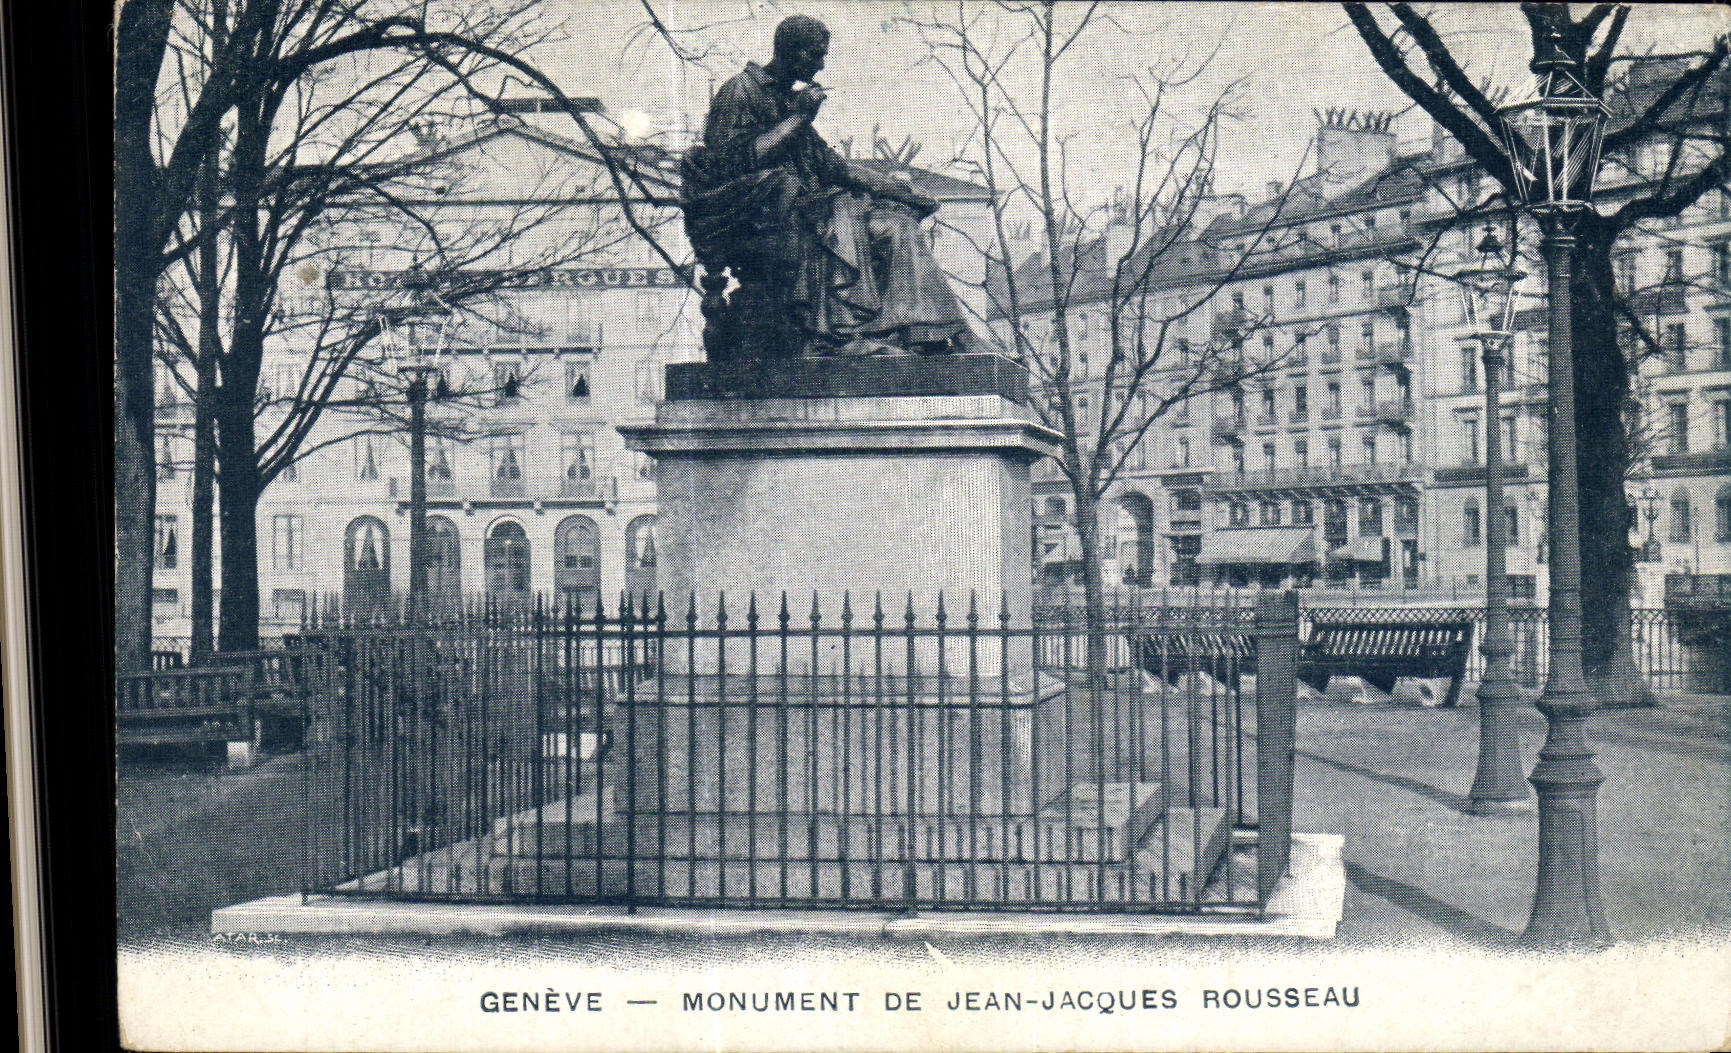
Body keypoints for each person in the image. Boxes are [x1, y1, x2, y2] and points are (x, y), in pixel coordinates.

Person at [681, 15, 969, 359]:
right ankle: (837, 335)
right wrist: (799, 119)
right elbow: (729, 162)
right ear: (791, 52)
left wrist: (900, 192)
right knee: (840, 207)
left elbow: (834, 166)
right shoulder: (741, 90)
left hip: (802, 210)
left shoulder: (789, 101)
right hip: (756, 216)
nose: (820, 65)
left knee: (897, 224)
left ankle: (930, 332)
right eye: (814, 55)